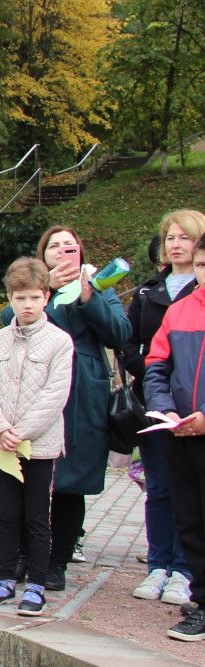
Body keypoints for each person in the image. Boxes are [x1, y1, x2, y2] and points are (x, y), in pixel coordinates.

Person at [1, 225, 131, 591]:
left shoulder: (99, 286)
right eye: (54, 246)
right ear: (43, 256)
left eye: (70, 247)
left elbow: (120, 333)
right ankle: (25, 554)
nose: (63, 252)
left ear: (81, 253)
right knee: (28, 472)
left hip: (82, 391)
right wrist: (51, 290)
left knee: (70, 480)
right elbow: (6, 324)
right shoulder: (37, 290)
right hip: (32, 389)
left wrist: (91, 297)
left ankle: (57, 561)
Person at [0, 258, 74, 616]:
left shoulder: (59, 342)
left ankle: (36, 583)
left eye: (34, 297)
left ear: (46, 297)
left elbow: (55, 394)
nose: (27, 305)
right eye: (20, 298)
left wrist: (23, 431)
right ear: (9, 299)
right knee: (6, 514)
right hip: (1, 444)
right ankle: (5, 578)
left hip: (40, 446)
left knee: (36, 515)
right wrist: (0, 428)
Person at [119, 210, 205, 605]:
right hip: (158, 408)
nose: (176, 244)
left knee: (193, 497)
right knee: (161, 488)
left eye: (185, 238)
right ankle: (158, 565)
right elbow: (132, 343)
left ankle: (186, 572)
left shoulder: (196, 295)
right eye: (170, 237)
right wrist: (154, 390)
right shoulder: (150, 291)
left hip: (196, 410)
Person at [143, 234, 205, 642]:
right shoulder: (180, 311)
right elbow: (156, 366)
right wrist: (165, 407)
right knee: (190, 520)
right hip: (181, 434)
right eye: (201, 266)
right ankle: (200, 600)